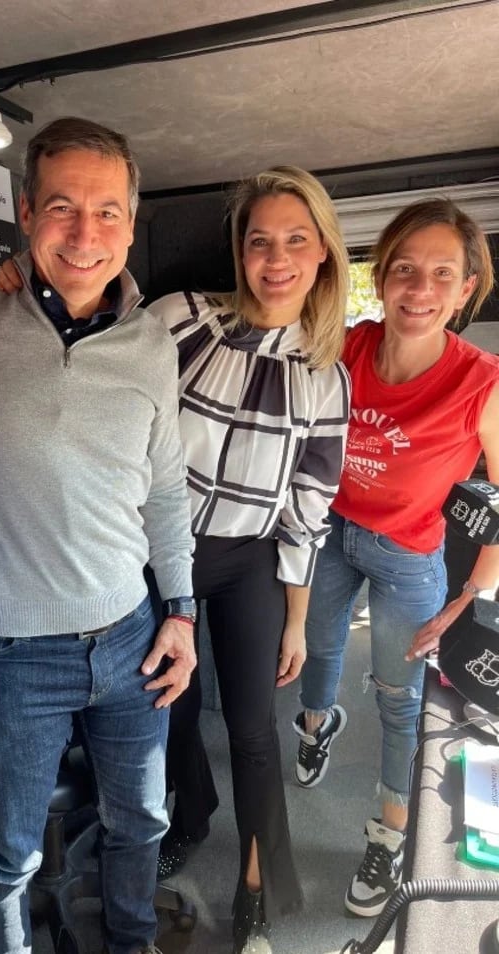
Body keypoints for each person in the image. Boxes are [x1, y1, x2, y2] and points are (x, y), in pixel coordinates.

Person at [0, 165, 352, 954]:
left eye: (296, 240)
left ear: (324, 253)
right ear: (240, 250)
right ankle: (190, 814)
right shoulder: (184, 318)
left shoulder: (327, 374)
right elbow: (93, 331)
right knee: (169, 706)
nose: (276, 257)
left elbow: (308, 510)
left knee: (254, 731)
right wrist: (22, 283)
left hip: (250, 560)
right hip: (162, 552)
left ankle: (256, 891)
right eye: (259, 240)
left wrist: (297, 621)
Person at [0, 117, 195, 954]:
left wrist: (180, 611)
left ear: (132, 226)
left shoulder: (152, 345)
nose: (85, 232)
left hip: (135, 636)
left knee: (141, 822)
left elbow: (166, 489)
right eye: (62, 208)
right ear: (26, 213)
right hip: (11, 651)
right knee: (8, 853)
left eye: (107, 212)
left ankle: (129, 944)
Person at [294, 198, 499, 918]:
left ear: (467, 288)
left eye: (442, 273)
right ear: (380, 278)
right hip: (331, 532)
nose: (420, 288)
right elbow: (259, 313)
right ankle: (316, 727)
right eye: (404, 269)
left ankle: (388, 834)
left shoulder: (483, 381)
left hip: (409, 555)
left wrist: (468, 595)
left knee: (397, 694)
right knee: (316, 653)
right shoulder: (345, 345)